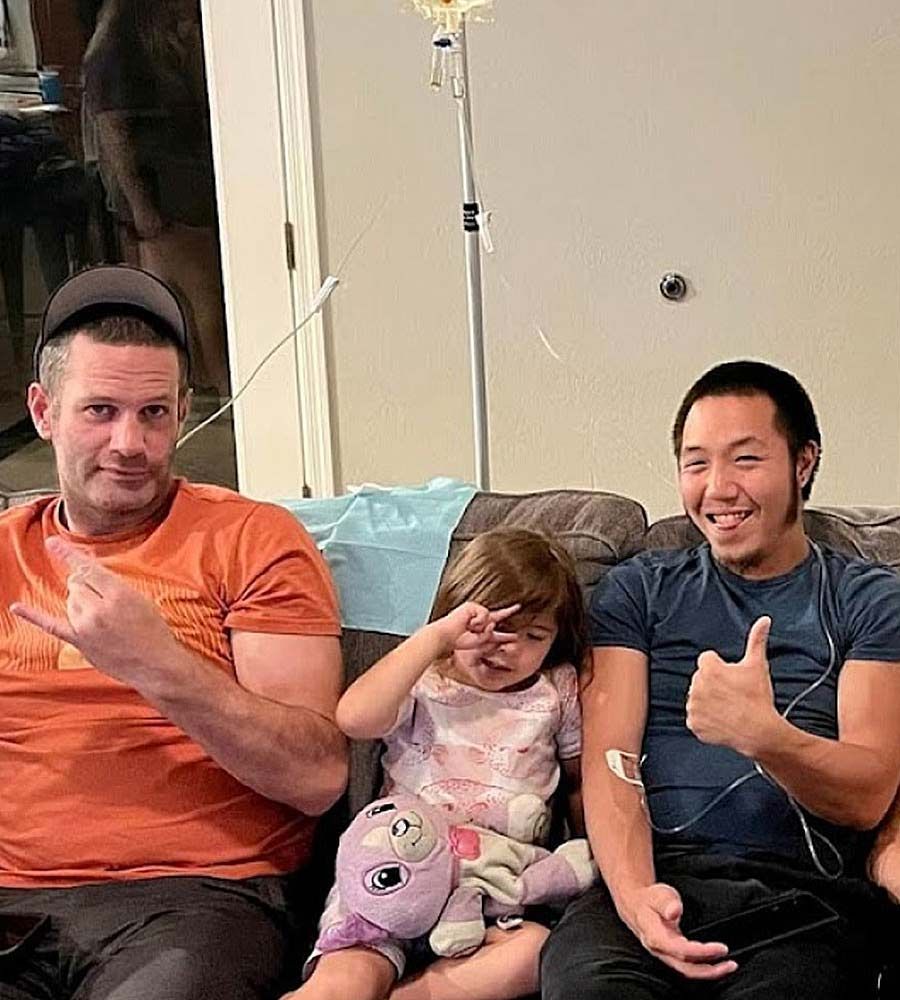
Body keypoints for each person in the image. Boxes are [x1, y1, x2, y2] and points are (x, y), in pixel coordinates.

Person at [0, 263, 347, 1000]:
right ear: (42, 411)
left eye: (154, 413)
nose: (130, 442)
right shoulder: (5, 553)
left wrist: (156, 663)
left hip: (197, 899)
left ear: (183, 412)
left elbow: (316, 778)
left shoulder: (252, 539)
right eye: (99, 411)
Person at [541, 360, 900, 999]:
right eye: (696, 462)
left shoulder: (869, 599)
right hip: (654, 883)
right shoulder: (639, 591)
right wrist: (634, 897)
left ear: (804, 461)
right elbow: (611, 758)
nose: (718, 488)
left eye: (746, 460)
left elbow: (869, 792)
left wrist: (764, 736)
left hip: (800, 900)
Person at [287, 527, 588, 1000]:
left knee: (533, 952)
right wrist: (435, 639)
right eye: (487, 627)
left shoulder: (555, 691)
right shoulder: (423, 678)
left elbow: (578, 782)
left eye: (533, 635)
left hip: (489, 889)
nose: (505, 647)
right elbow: (354, 718)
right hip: (392, 879)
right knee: (343, 982)